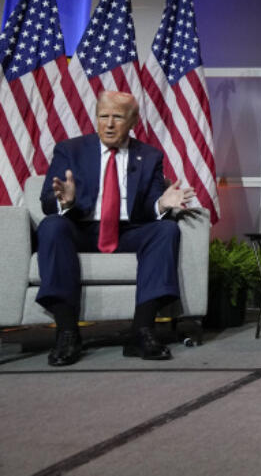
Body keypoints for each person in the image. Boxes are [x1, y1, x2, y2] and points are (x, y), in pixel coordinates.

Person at [36, 90, 198, 366]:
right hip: (81, 228)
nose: (109, 124)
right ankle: (67, 333)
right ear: (96, 118)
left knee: (166, 230)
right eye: (103, 116)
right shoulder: (69, 150)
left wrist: (161, 204)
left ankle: (142, 330)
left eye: (117, 117)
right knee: (52, 226)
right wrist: (66, 201)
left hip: (128, 231)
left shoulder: (149, 156)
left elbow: (149, 207)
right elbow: (47, 202)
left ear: (133, 120)